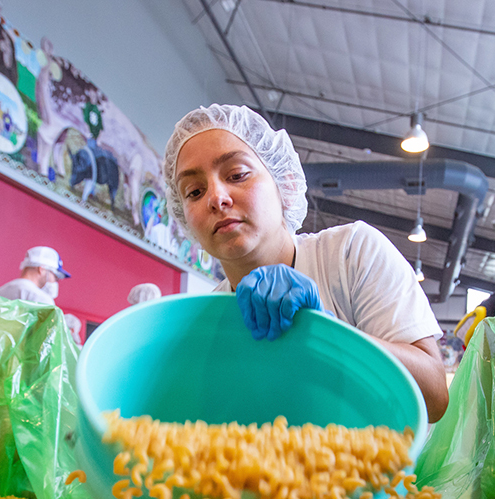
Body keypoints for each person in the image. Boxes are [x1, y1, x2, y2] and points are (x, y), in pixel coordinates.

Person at [162, 104, 449, 422]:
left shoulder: (348, 253)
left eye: (237, 175)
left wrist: (327, 333)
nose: (216, 197)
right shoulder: (207, 321)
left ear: (283, 181)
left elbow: (434, 397)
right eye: (194, 191)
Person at [0, 245, 68, 304]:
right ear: (42, 269)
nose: (55, 281)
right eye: (56, 276)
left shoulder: (0, 291)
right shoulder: (41, 299)